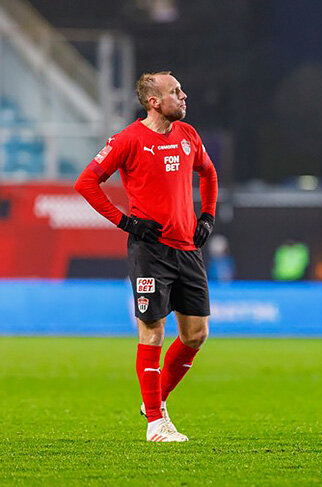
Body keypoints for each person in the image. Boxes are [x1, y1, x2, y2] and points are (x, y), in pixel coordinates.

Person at [74, 71, 218, 442]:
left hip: (187, 249)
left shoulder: (188, 136)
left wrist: (207, 216)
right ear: (154, 101)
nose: (184, 96)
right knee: (152, 331)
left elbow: (209, 174)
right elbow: (86, 183)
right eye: (175, 91)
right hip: (151, 251)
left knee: (196, 334)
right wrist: (127, 222)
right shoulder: (128, 140)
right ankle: (156, 423)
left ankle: (154, 401)